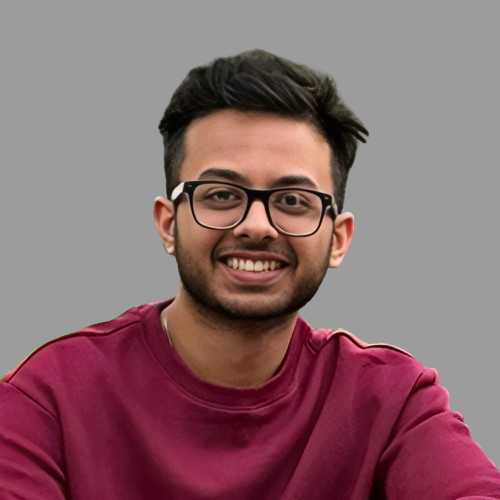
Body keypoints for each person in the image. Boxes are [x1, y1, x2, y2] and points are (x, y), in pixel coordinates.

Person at [1, 49, 499, 499]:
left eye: (292, 201)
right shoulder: (45, 399)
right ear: (168, 224)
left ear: (338, 238)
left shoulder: (392, 402)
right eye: (221, 195)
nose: (257, 227)